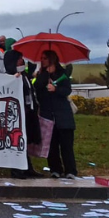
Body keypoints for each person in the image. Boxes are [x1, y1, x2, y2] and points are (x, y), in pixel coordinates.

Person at [36, 50, 76, 179]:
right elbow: (37, 88)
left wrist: (56, 89)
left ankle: (70, 170)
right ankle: (55, 169)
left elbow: (67, 90)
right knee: (52, 145)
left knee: (66, 146)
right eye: (42, 58)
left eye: (45, 58)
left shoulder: (62, 74)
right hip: (48, 115)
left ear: (51, 59)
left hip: (63, 116)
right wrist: (45, 74)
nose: (42, 60)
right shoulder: (41, 74)